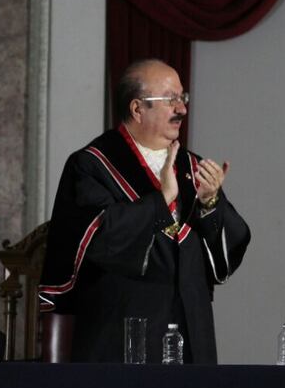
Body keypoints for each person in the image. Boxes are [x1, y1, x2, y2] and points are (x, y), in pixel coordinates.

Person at [38, 59, 250, 363]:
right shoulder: (92, 165)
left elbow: (230, 248)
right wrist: (160, 200)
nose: (182, 109)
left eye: (183, 98)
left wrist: (210, 204)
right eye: (171, 100)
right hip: (120, 337)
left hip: (192, 338)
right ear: (137, 109)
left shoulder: (192, 168)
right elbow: (100, 240)